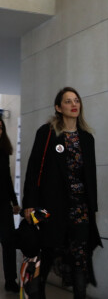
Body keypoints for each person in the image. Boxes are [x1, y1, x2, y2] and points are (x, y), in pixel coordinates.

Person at [22, 87, 102, 299]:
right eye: (68, 101)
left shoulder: (86, 138)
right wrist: (29, 202)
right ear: (58, 107)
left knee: (80, 259)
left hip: (80, 209)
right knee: (47, 254)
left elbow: (89, 176)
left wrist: (92, 207)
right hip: (53, 207)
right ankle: (37, 293)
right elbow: (33, 170)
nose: (74, 104)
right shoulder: (47, 133)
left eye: (76, 100)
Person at [0, 118, 21, 293]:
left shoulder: (3, 151)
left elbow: (7, 179)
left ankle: (10, 280)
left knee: (8, 241)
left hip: (2, 204)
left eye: (0, 127)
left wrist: (14, 202)